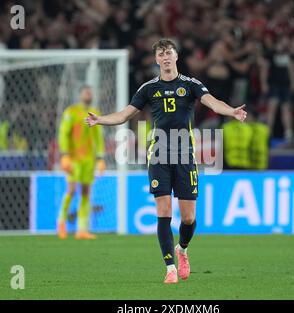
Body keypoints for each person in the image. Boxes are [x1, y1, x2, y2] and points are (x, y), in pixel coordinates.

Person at [85, 39, 247, 283]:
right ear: (157, 60)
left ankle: (182, 249)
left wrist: (231, 111)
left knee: (189, 218)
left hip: (185, 155)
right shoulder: (149, 88)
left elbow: (212, 102)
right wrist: (100, 119)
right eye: (161, 54)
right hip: (159, 153)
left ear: (176, 56)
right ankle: (170, 267)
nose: (166, 56)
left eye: (169, 52)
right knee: (163, 210)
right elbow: (125, 114)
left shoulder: (191, 85)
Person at [57, 85, 106, 240]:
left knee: (86, 192)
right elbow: (63, 133)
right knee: (71, 190)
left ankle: (82, 229)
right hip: (73, 158)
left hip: (89, 160)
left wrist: (100, 158)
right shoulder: (71, 112)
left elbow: (98, 137)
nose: (88, 94)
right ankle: (61, 222)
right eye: (86, 92)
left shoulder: (95, 113)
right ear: (80, 94)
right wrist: (64, 154)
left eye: (90, 92)